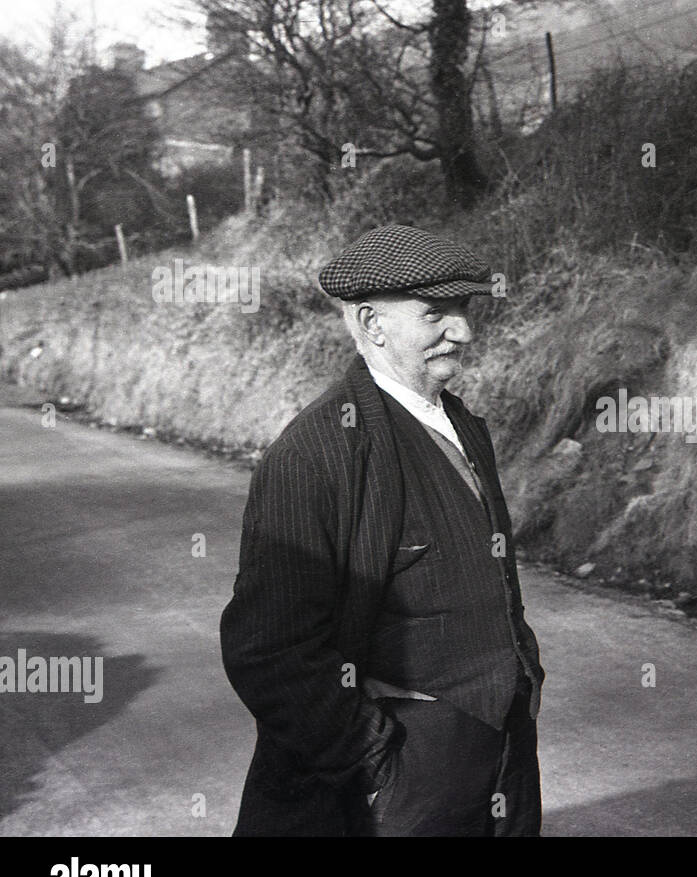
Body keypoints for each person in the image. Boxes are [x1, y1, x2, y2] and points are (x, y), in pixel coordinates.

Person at [221, 224, 544, 836]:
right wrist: (372, 759)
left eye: (465, 309)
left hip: (501, 753)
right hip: (397, 782)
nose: (464, 332)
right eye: (435, 315)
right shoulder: (315, 454)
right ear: (371, 324)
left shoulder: (463, 425)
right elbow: (268, 650)